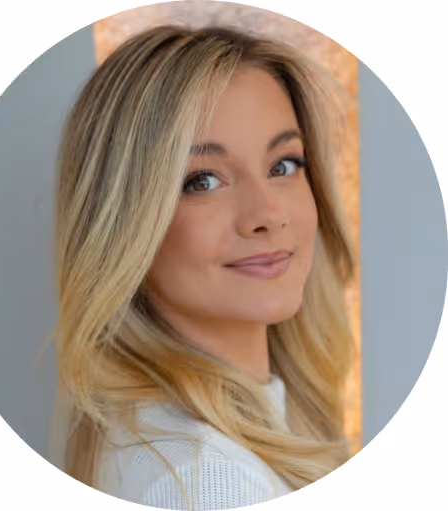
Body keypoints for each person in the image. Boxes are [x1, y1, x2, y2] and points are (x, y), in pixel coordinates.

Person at [50, 23, 355, 510]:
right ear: (124, 222)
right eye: (203, 180)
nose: (267, 214)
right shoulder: (208, 479)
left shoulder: (180, 444)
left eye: (282, 166)